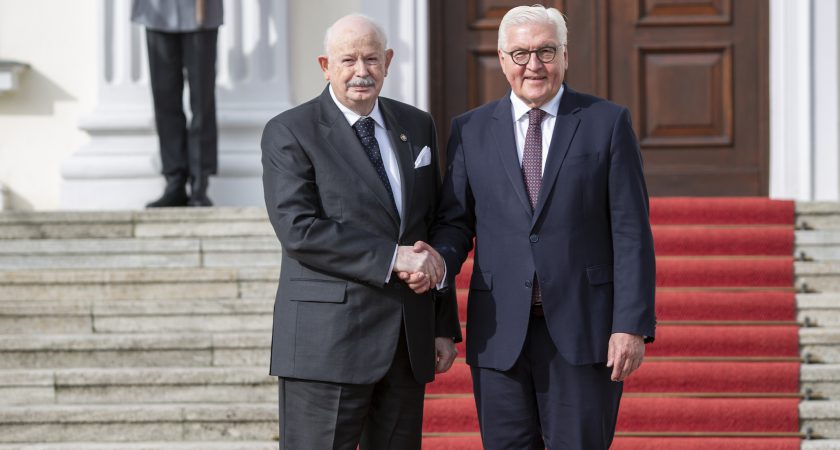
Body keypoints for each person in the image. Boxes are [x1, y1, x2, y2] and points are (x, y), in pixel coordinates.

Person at [422, 5, 656, 449]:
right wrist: (435, 264)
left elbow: (631, 233)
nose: (534, 65)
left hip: (585, 332)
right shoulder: (470, 130)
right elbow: (454, 226)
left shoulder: (607, 124)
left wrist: (631, 324)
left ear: (565, 57)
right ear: (502, 57)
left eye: (546, 52)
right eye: (521, 53)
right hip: (499, 336)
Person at [260, 14, 461, 450]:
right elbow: (299, 229)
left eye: (371, 58)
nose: (361, 70)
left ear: (388, 61)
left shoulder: (417, 124)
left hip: (406, 345)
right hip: (327, 347)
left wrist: (441, 324)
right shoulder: (290, 131)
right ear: (324, 65)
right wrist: (394, 257)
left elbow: (429, 224)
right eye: (347, 59)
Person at [131, 0, 222, 207]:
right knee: (165, 100)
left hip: (202, 11)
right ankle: (174, 181)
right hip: (157, 11)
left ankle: (200, 183)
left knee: (202, 102)